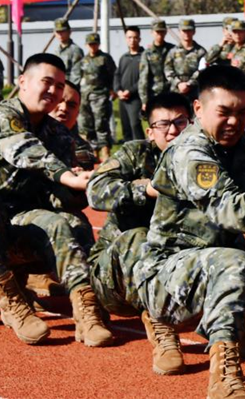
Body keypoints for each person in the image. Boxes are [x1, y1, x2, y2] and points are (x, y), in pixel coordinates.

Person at [134, 65, 245, 399]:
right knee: (232, 261)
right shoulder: (189, 150)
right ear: (199, 109)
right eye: (224, 112)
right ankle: (223, 376)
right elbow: (227, 208)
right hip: (166, 277)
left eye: (242, 112)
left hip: (217, 269)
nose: (234, 121)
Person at [0, 53, 114, 347]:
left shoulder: (59, 135)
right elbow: (27, 151)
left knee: (65, 221)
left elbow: (55, 195)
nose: (54, 92)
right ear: (23, 82)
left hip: (17, 220)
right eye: (47, 82)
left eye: (60, 86)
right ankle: (9, 296)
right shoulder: (0, 117)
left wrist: (81, 186)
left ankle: (86, 305)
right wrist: (66, 176)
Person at [87, 92, 191, 374]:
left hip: (171, 269)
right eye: (163, 124)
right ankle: (161, 326)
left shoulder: (202, 157)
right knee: (140, 237)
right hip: (115, 278)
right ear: (150, 132)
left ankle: (241, 327)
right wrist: (147, 189)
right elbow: (95, 190)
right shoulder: (136, 154)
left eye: (180, 122)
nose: (173, 130)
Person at [78, 32, 117, 161]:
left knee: (101, 124)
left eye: (94, 44)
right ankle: (92, 152)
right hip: (85, 97)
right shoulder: (83, 60)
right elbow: (78, 77)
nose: (92, 47)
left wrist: (112, 90)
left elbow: (113, 75)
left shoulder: (105, 58)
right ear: (86, 45)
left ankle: (105, 152)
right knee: (87, 125)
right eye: (90, 44)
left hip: (100, 96)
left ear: (98, 44)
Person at [164, 18, 208, 100]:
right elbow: (168, 69)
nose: (186, 33)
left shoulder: (201, 51)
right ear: (179, 32)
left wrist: (189, 84)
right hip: (176, 92)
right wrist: (178, 83)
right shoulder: (173, 52)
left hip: (194, 92)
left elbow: (203, 70)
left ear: (194, 32)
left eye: (189, 31)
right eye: (184, 31)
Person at [116, 25, 146, 142]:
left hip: (135, 98)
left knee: (135, 125)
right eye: (129, 37)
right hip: (123, 98)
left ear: (139, 39)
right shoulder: (124, 57)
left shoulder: (144, 56)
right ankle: (128, 150)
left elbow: (144, 78)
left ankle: (142, 149)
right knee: (126, 127)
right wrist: (118, 90)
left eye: (135, 37)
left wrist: (131, 91)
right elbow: (117, 75)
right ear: (126, 39)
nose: (132, 40)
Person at [138, 17, 174, 110]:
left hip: (171, 92)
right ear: (152, 32)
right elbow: (143, 78)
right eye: (157, 32)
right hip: (154, 94)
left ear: (165, 32)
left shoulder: (172, 50)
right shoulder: (147, 53)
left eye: (162, 32)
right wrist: (144, 100)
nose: (160, 35)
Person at [53, 17, 84, 84]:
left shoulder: (75, 50)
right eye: (58, 32)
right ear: (54, 33)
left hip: (68, 87)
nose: (60, 34)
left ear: (69, 32)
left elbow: (76, 76)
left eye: (63, 31)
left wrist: (68, 88)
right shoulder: (57, 50)